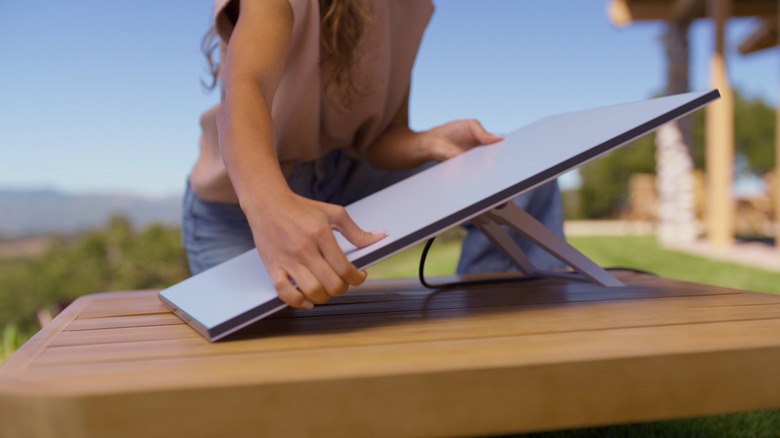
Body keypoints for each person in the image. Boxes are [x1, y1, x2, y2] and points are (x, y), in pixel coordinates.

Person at [183, 0, 565, 310]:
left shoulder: (412, 7)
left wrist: (424, 142)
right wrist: (269, 207)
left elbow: (382, 140)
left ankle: (496, 337)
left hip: (348, 174)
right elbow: (243, 92)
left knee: (522, 179)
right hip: (242, 200)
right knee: (274, 351)